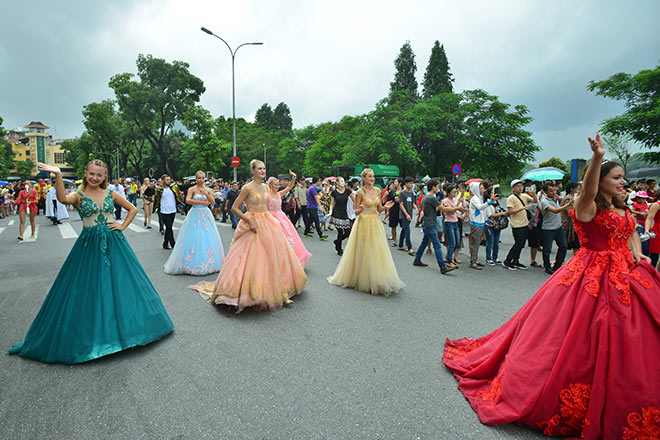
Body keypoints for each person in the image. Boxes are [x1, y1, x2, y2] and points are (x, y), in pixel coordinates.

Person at [443, 134, 660, 439]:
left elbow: (630, 232)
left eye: (624, 177)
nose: (624, 182)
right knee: (578, 335)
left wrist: (637, 252)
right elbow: (588, 192)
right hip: (590, 273)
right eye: (617, 177)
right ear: (601, 180)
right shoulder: (588, 207)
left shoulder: (624, 206)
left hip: (629, 273)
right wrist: (597, 158)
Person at [9, 161, 173, 364]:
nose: (95, 178)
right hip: (88, 247)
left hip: (114, 243)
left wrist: (122, 226)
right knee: (90, 289)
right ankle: (98, 337)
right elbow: (62, 198)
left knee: (123, 286)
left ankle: (127, 332)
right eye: (92, 174)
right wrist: (58, 175)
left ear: (104, 178)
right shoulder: (78, 195)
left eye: (99, 175)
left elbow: (131, 209)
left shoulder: (111, 194)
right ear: (85, 174)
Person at [190, 160, 307, 312]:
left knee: (274, 257)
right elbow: (234, 208)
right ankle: (253, 292)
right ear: (252, 171)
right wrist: (249, 221)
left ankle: (279, 292)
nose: (262, 171)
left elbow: (269, 204)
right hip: (252, 223)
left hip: (268, 222)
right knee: (254, 259)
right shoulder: (247, 188)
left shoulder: (266, 186)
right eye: (259, 168)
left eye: (264, 168)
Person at [327, 168, 403, 295]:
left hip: (375, 223)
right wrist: (361, 209)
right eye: (369, 176)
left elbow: (378, 209)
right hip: (363, 222)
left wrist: (386, 207)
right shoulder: (360, 193)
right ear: (363, 178)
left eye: (373, 176)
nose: (372, 179)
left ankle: (377, 279)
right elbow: (354, 212)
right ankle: (364, 280)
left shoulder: (378, 191)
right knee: (365, 251)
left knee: (377, 251)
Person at [164, 171, 225, 275]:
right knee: (194, 235)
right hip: (195, 213)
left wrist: (207, 194)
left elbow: (213, 203)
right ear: (196, 179)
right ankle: (190, 263)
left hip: (206, 214)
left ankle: (209, 262)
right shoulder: (191, 189)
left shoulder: (208, 190)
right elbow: (187, 200)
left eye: (202, 178)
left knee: (207, 236)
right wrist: (201, 202)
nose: (201, 180)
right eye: (199, 178)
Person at [267, 171, 312, 267]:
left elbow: (289, 188)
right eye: (275, 185)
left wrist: (294, 179)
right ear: (270, 185)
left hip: (281, 217)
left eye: (278, 184)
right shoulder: (267, 196)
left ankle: (292, 259)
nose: (277, 186)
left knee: (289, 237)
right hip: (271, 218)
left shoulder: (279, 194)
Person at [412, 179, 456, 274]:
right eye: (437, 186)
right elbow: (443, 208)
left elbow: (434, 208)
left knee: (424, 243)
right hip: (430, 224)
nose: (438, 188)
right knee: (437, 245)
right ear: (433, 187)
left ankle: (417, 259)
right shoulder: (431, 198)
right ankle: (443, 267)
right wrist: (457, 208)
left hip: (427, 223)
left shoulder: (426, 197)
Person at [502, 179, 535, 270]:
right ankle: (508, 260)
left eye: (521, 186)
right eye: (518, 186)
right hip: (516, 224)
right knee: (518, 243)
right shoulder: (511, 198)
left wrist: (534, 193)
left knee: (522, 244)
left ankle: (516, 261)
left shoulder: (524, 195)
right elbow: (510, 211)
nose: (520, 188)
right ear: (513, 188)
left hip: (524, 223)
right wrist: (523, 208)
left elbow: (535, 201)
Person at [540, 183, 570, 274]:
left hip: (558, 226)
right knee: (547, 249)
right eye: (551, 191)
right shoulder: (544, 201)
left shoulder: (555, 198)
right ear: (545, 192)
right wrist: (568, 204)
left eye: (555, 190)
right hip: (548, 228)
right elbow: (555, 211)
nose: (553, 192)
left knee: (563, 246)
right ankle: (547, 267)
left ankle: (557, 265)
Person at [467, 181, 496, 270]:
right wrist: (490, 201)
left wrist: (487, 220)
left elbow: (482, 212)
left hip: (480, 222)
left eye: (483, 188)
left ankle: (475, 260)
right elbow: (480, 207)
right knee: (475, 243)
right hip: (476, 223)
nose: (483, 190)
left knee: (477, 242)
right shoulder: (475, 198)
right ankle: (473, 261)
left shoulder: (480, 198)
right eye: (480, 188)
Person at [153, 175, 185, 250]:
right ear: (163, 180)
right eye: (167, 180)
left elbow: (183, 187)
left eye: (169, 179)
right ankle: (173, 244)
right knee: (169, 227)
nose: (169, 181)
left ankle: (165, 243)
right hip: (164, 211)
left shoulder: (173, 187)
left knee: (168, 228)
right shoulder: (159, 189)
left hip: (173, 210)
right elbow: (149, 193)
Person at [329, 177, 353, 256]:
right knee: (340, 231)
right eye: (341, 181)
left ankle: (337, 241)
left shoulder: (347, 191)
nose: (343, 182)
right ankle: (339, 249)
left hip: (344, 213)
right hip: (336, 213)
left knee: (347, 232)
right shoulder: (334, 193)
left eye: (344, 181)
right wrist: (330, 211)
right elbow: (332, 203)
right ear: (337, 182)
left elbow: (355, 199)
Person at [398, 177, 417, 255]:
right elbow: (401, 205)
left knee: (404, 230)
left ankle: (400, 245)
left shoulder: (411, 193)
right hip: (404, 215)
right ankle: (410, 247)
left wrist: (416, 208)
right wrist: (406, 215)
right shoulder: (402, 193)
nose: (412, 185)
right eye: (410, 183)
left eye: (412, 183)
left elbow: (412, 203)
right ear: (406, 184)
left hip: (410, 214)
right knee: (407, 231)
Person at [560, 182, 580, 254]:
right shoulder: (568, 199)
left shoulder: (574, 199)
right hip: (568, 225)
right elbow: (570, 212)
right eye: (578, 189)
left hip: (573, 226)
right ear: (572, 189)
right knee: (564, 246)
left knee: (575, 246)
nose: (579, 191)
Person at [631, 191, 650, 257]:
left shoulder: (646, 204)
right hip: (640, 225)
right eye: (639, 198)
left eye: (644, 198)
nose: (642, 200)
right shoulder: (635, 205)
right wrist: (639, 213)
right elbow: (631, 210)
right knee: (643, 242)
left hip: (648, 225)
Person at [644, 193, 660, 269]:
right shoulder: (656, 205)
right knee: (654, 256)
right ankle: (650, 276)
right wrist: (647, 230)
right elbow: (649, 219)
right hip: (657, 232)